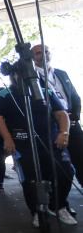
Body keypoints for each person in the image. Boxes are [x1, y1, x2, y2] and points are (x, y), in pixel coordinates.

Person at [0, 61, 76, 226]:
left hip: (52, 141)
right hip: (22, 144)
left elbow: (61, 114)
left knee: (65, 171)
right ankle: (37, 211)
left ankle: (58, 206)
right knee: (30, 180)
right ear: (14, 74)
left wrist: (64, 133)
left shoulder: (46, 92)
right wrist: (7, 139)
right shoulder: (5, 95)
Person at [33, 44, 82, 191]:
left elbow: (74, 96)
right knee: (58, 166)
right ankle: (58, 201)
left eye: (46, 52)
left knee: (81, 158)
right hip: (51, 126)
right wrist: (59, 118)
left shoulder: (61, 73)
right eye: (38, 53)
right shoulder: (30, 77)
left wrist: (74, 115)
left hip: (72, 123)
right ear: (32, 57)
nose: (44, 55)